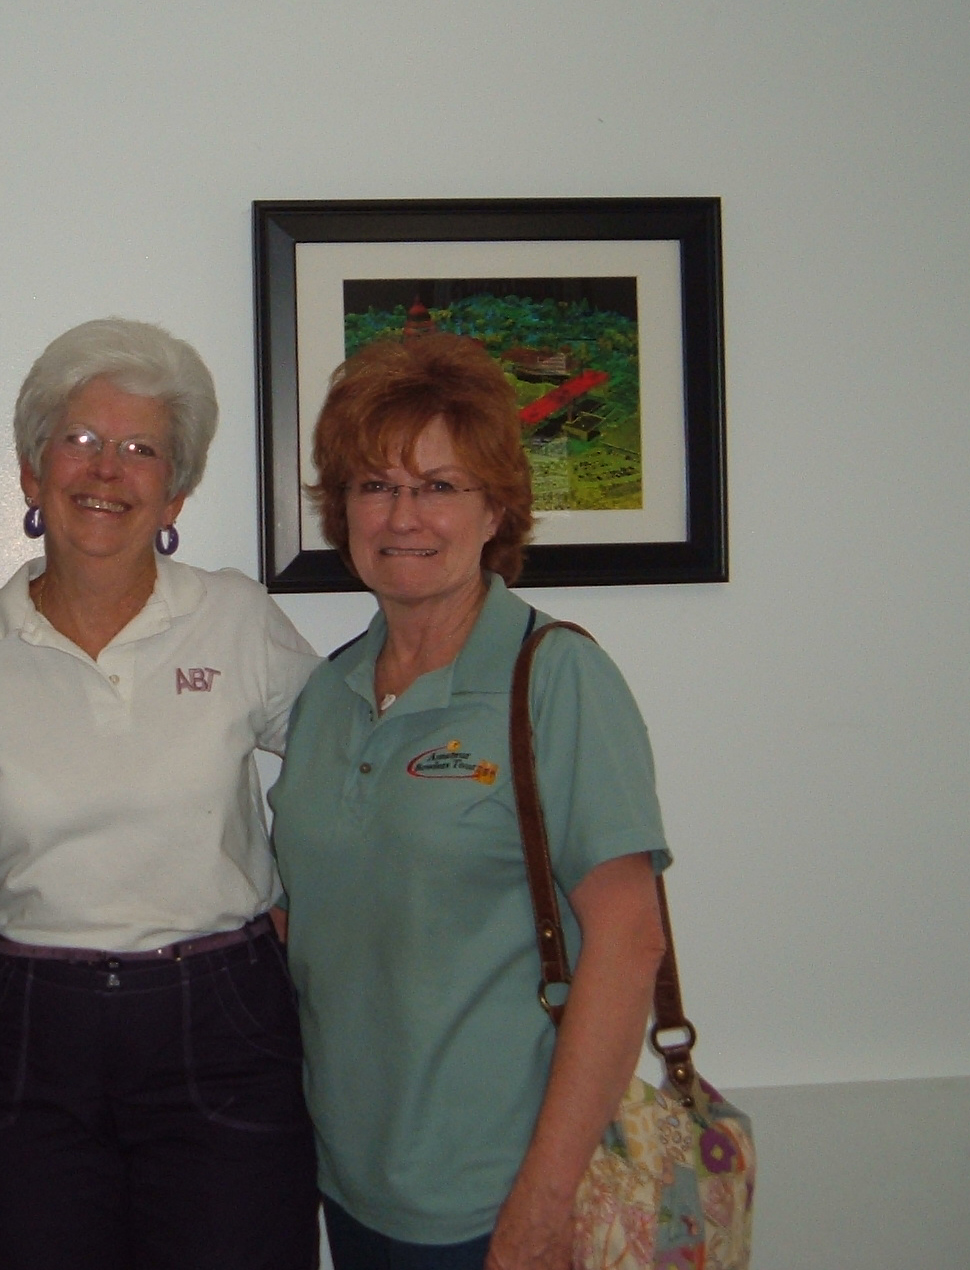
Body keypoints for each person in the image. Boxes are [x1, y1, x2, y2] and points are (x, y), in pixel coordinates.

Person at [0, 318, 323, 1269]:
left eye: (141, 450)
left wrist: (302, 922)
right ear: (31, 472)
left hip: (224, 1024)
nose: (107, 470)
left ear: (176, 492)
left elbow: (349, 781)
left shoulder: (234, 618)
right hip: (32, 1035)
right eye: (82, 439)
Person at [268, 333, 672, 1270]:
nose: (403, 515)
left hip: (497, 1199)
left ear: (496, 508)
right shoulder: (327, 695)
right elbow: (311, 923)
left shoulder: (555, 680)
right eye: (376, 484)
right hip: (348, 1181)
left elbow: (629, 944)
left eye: (440, 486)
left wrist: (544, 1201)